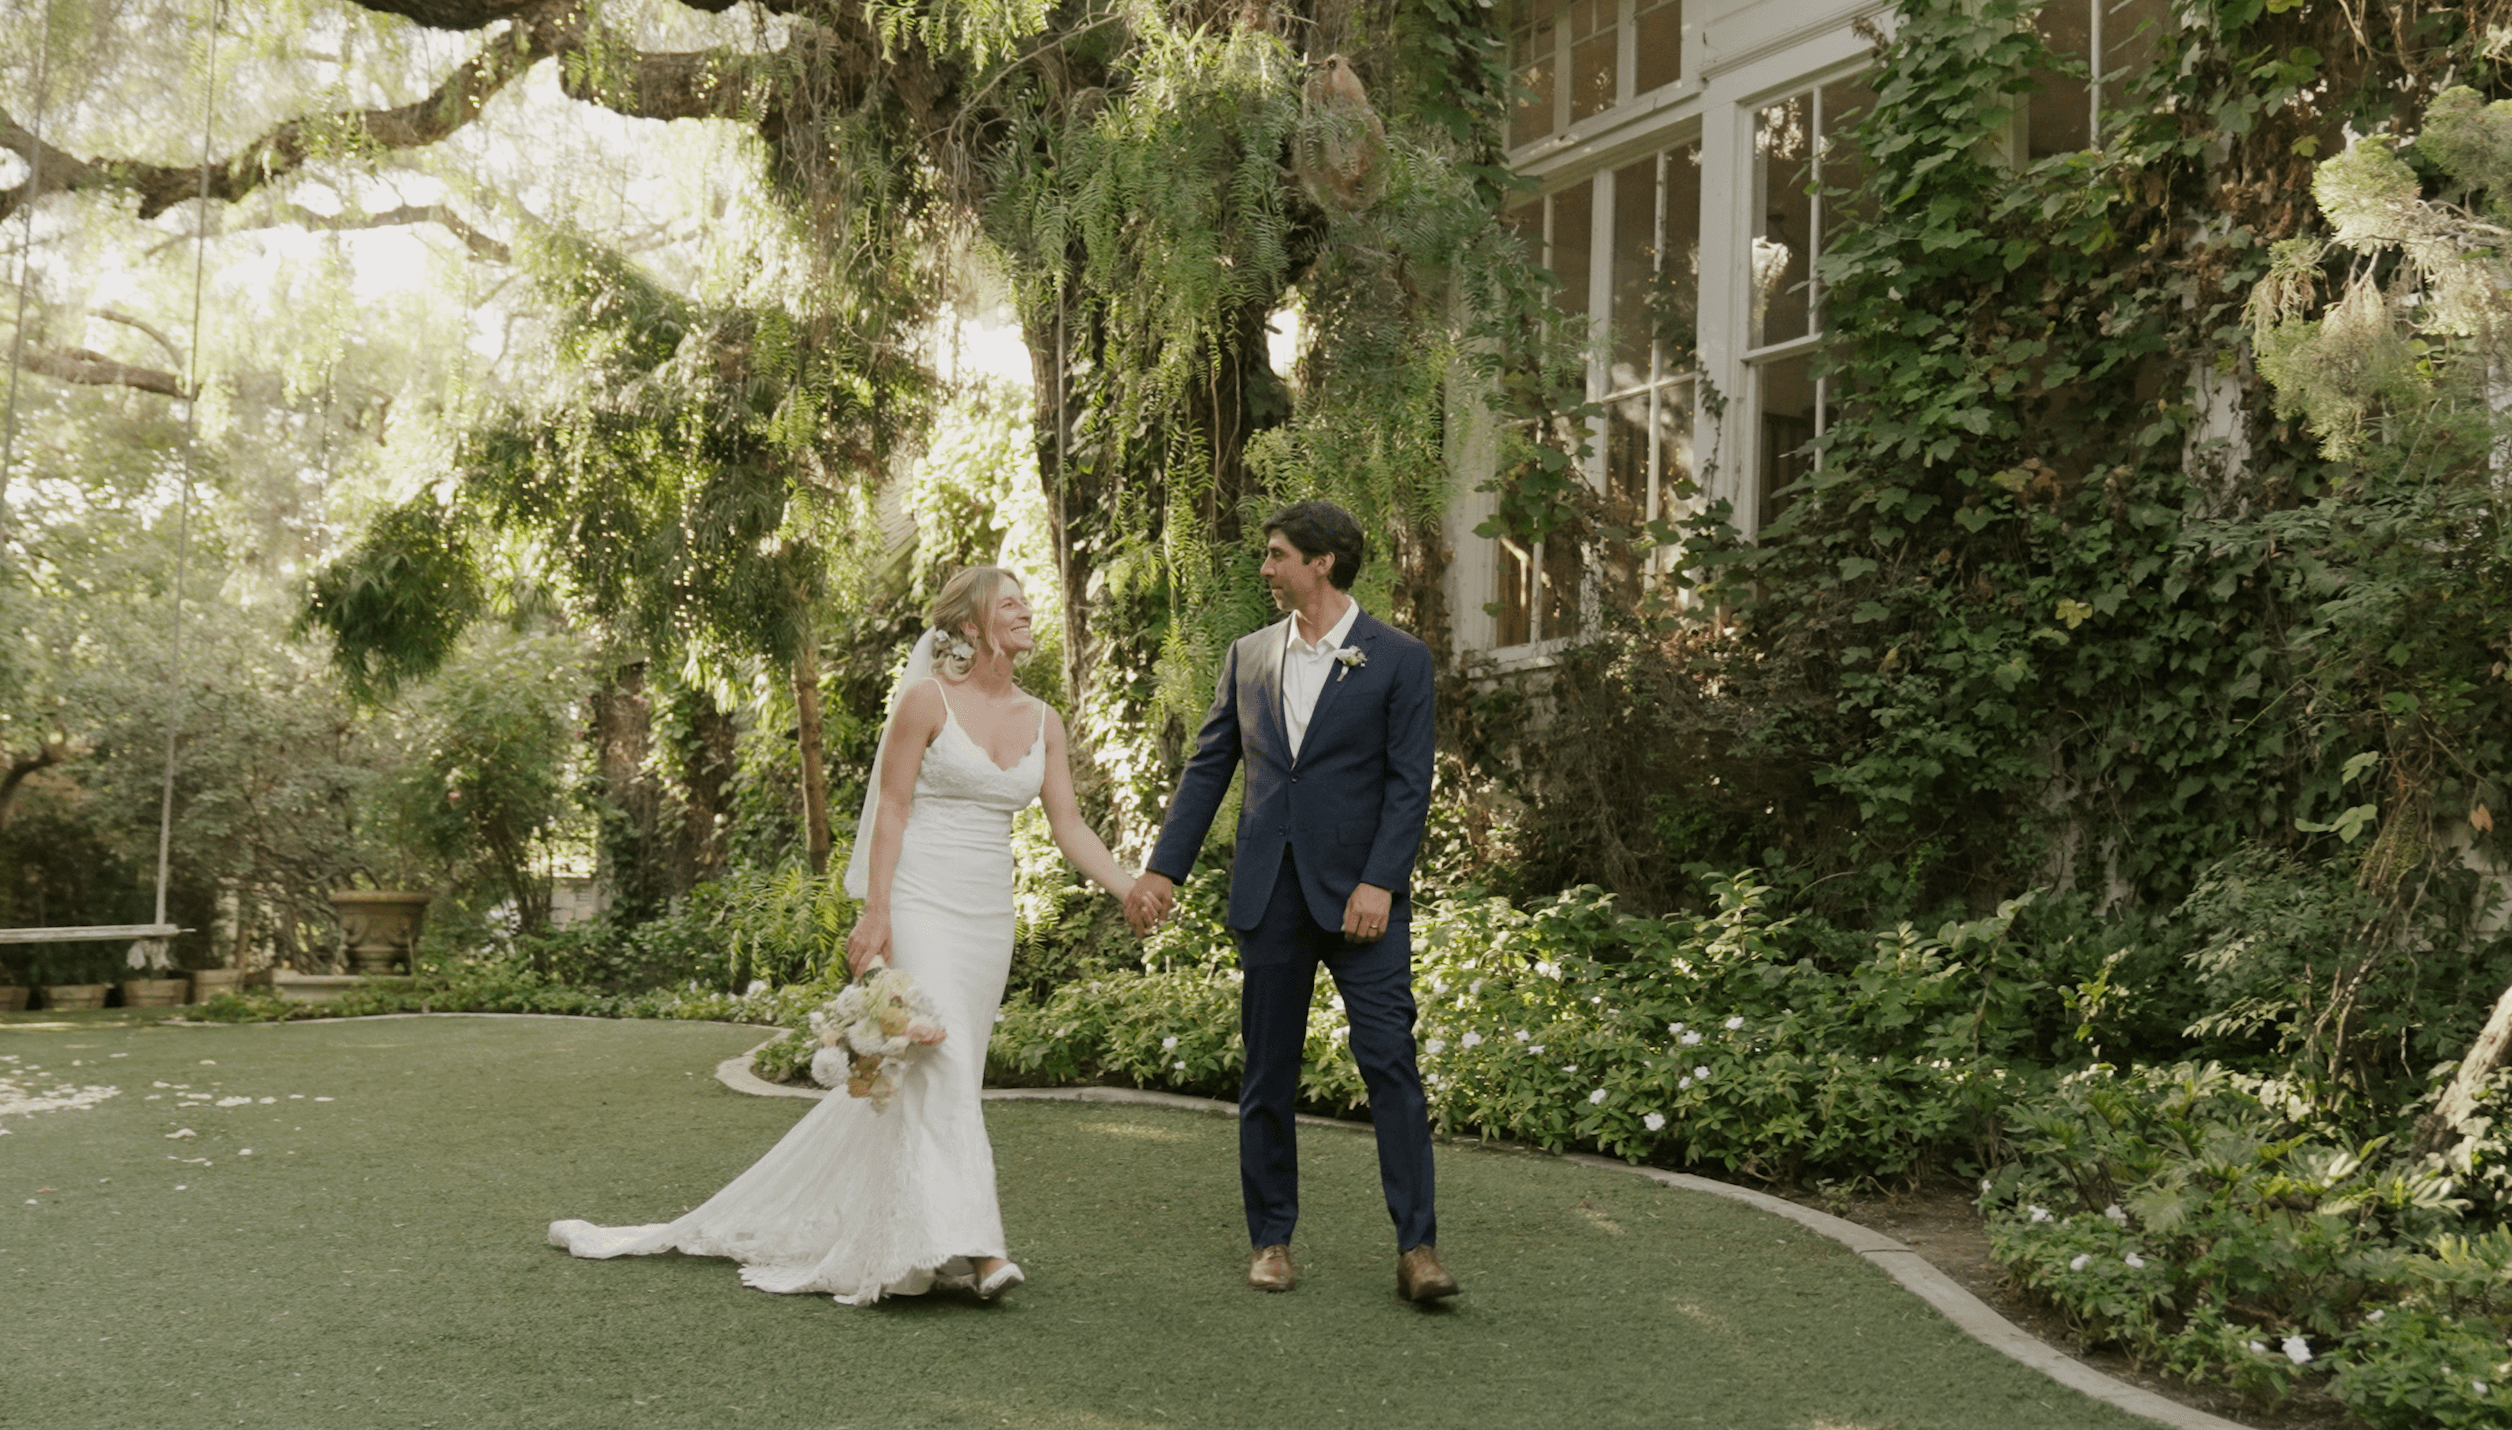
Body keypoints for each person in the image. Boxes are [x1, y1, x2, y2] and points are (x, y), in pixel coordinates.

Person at [549, 567, 1136, 1305]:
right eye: (1008, 603)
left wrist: (1128, 886)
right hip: (920, 898)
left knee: (934, 1077)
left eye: (1025, 602)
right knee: (941, 1059)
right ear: (971, 626)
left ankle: (921, 1237)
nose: (1025, 611)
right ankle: (982, 1249)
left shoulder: (1043, 718)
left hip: (988, 915)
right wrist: (877, 912)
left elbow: (1068, 826)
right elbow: (890, 809)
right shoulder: (927, 702)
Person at [1124, 500, 1456, 1303]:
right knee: (1268, 1072)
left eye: (1277, 556)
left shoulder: (1400, 659)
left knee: (1391, 1066)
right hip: (1269, 893)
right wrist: (1163, 869)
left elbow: (1411, 784)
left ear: (1323, 563)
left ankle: (1419, 1251)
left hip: (1363, 903)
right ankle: (1271, 1239)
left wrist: (1380, 880)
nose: (1266, 569)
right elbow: (1209, 769)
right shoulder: (1246, 657)